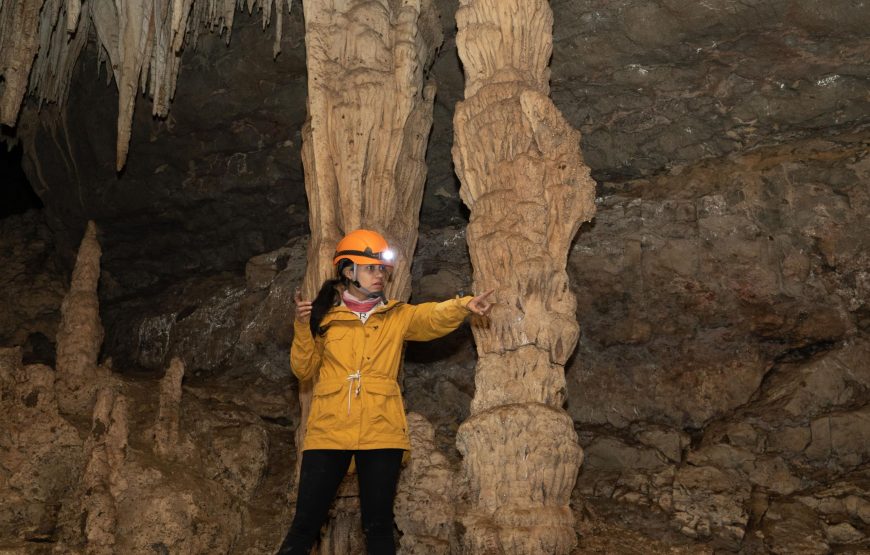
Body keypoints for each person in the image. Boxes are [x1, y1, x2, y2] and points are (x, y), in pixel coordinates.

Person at [277, 229, 493, 555]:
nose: (379, 275)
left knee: (378, 528)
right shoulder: (326, 319)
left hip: (382, 431)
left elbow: (430, 316)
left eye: (381, 269)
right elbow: (303, 370)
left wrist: (464, 306)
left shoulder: (396, 315)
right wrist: (303, 327)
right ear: (349, 272)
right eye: (370, 268)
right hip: (329, 431)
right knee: (304, 526)